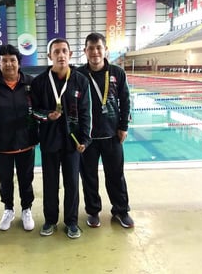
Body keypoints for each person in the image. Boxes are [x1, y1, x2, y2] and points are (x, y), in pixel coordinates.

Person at [31, 38, 92, 239]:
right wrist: (46, 115)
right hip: (49, 140)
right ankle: (50, 220)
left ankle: (72, 222)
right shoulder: (39, 82)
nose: (60, 55)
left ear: (70, 54)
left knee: (72, 183)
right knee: (50, 182)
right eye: (56, 51)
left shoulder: (80, 80)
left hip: (72, 141)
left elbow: (86, 112)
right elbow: (33, 111)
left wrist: (85, 139)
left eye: (64, 51)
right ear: (49, 56)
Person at [77, 33, 134, 229]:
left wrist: (123, 127)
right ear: (85, 51)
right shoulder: (78, 75)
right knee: (89, 176)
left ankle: (121, 210)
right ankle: (93, 211)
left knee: (116, 175)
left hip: (112, 135)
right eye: (91, 48)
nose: (95, 52)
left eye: (98, 47)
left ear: (105, 50)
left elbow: (126, 100)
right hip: (88, 138)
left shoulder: (117, 73)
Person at [0, 44, 39, 232]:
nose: (8, 64)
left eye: (12, 60)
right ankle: (8, 209)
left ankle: (26, 209)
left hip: (26, 141)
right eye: (4, 60)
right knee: (5, 181)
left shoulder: (30, 83)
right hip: (2, 144)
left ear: (19, 63)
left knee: (26, 179)